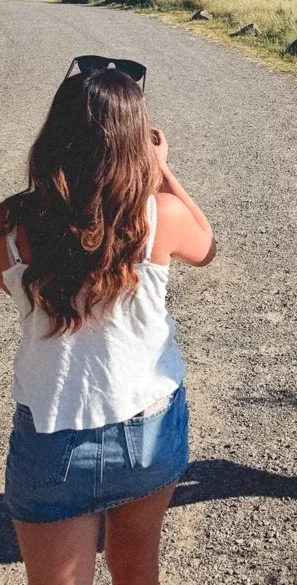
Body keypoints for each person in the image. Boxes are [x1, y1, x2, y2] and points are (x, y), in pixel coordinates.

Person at [0, 64, 216, 585]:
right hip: (147, 422)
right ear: (135, 141)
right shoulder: (159, 215)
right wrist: (162, 171)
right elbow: (208, 246)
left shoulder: (10, 223)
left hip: (51, 427)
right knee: (137, 571)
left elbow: (13, 283)